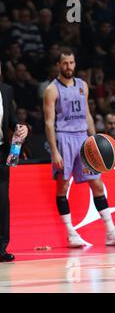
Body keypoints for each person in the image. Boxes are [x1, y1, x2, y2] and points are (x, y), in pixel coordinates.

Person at [43, 48, 115, 248]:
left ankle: (111, 232)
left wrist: (94, 139)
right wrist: (55, 151)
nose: (69, 67)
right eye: (65, 63)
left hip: (83, 138)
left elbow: (87, 115)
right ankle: (70, 233)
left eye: (72, 63)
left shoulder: (83, 85)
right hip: (64, 138)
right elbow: (49, 123)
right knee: (63, 186)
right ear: (58, 65)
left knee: (97, 184)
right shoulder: (52, 89)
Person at [0, 63, 28, 262]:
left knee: (2, 201)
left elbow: (11, 120)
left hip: (1, 152)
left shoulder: (6, 91)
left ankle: (1, 249)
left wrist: (21, 128)